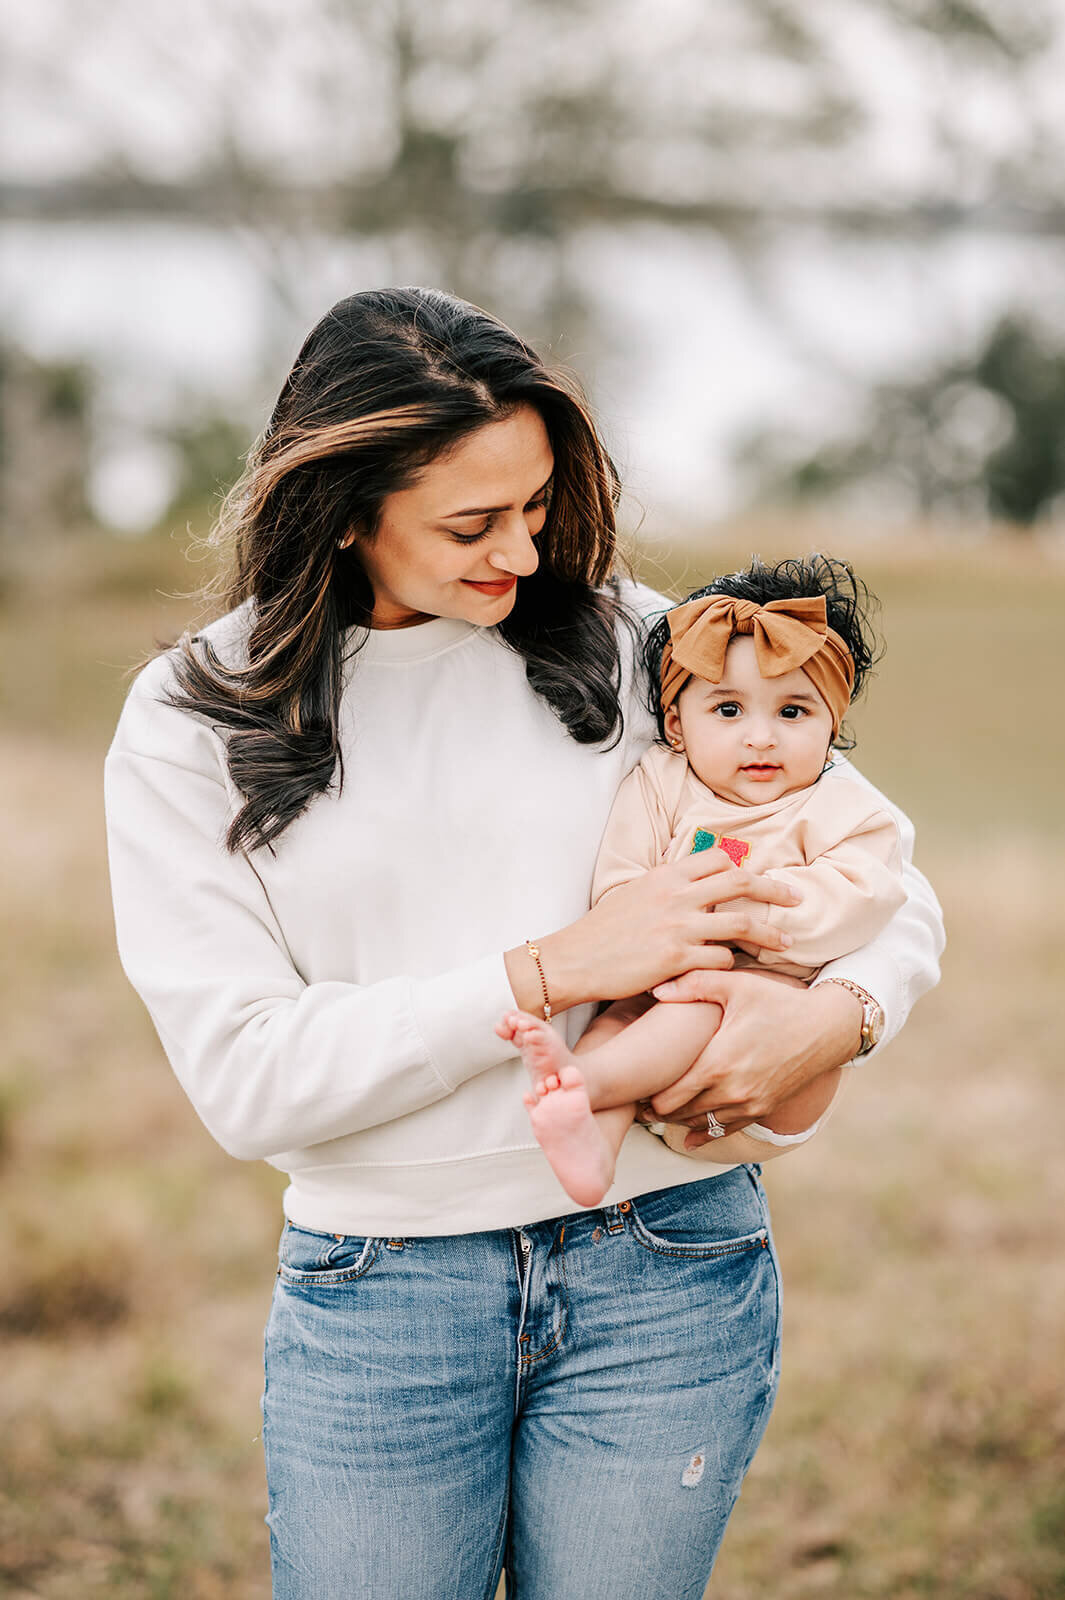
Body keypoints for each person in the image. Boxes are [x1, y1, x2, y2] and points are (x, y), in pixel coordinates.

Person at [104, 287, 944, 1600]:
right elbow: (247, 1078)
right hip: (382, 1292)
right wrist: (548, 970)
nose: (523, 551)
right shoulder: (190, 720)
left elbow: (883, 865)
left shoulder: (629, 646)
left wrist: (836, 1016)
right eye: (471, 522)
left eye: (540, 506)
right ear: (343, 511)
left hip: (667, 1262)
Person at [499, 556, 906, 1209]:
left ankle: (582, 1082)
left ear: (832, 724)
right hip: (657, 988)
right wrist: (643, 923)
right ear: (679, 724)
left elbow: (865, 896)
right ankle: (590, 1155)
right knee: (613, 1024)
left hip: (757, 1028)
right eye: (727, 709)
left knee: (693, 1008)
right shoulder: (661, 780)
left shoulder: (843, 810)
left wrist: (758, 917)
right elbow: (622, 873)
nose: (760, 738)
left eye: (793, 712)